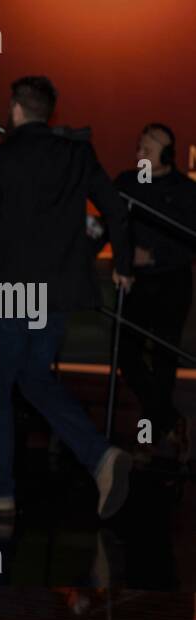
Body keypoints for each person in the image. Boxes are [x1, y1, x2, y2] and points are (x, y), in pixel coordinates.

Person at [0, 76, 135, 519]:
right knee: (35, 378)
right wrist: (123, 265)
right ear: (47, 112)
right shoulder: (77, 154)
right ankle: (100, 457)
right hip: (55, 295)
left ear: (16, 109)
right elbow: (116, 208)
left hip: (9, 292)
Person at [110, 122, 196, 461]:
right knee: (126, 356)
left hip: (171, 283)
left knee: (162, 362)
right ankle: (171, 420)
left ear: (168, 154)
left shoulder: (186, 191)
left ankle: (148, 436)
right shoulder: (130, 183)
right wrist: (123, 257)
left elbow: (191, 241)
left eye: (149, 147)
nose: (140, 152)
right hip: (136, 283)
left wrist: (156, 255)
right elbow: (110, 225)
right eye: (139, 146)